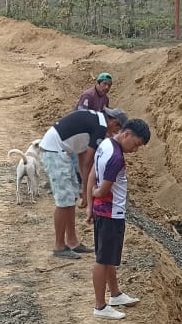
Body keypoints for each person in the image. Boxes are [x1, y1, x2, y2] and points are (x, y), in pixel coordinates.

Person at [39, 107, 128, 259]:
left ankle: (72, 241)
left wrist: (82, 185)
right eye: (117, 130)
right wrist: (87, 191)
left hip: (62, 151)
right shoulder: (100, 127)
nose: (114, 133)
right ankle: (59, 246)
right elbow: (88, 162)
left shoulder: (95, 121)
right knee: (64, 200)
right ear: (114, 122)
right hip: (55, 152)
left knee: (70, 198)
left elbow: (82, 154)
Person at [90, 118, 151, 320]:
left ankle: (115, 294)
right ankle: (100, 306)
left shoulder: (105, 144)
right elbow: (102, 190)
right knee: (102, 259)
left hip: (103, 212)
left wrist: (91, 204)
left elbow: (92, 173)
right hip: (110, 213)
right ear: (127, 134)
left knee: (108, 257)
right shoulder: (116, 158)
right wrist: (95, 194)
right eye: (136, 144)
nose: (135, 150)